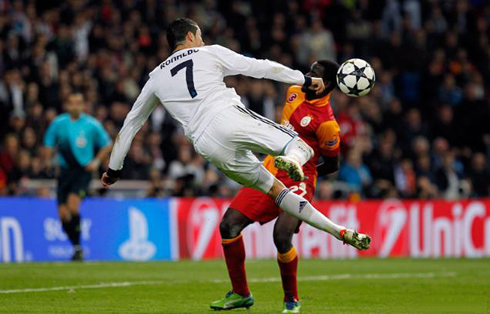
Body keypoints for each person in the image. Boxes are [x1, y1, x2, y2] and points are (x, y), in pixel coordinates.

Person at [101, 18, 369, 263]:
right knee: (300, 146)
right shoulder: (209, 52)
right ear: (192, 36)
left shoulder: (155, 78)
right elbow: (259, 68)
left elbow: (130, 125)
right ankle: (293, 159)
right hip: (227, 116)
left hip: (206, 143)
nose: (203, 40)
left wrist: (114, 170)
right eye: (201, 36)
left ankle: (339, 231)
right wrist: (304, 79)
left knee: (276, 190)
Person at [210, 60, 343, 313]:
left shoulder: (327, 124)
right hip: (270, 171)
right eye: (308, 70)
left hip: (300, 181)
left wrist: (305, 179)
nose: (307, 75)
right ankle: (240, 293)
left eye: (313, 74)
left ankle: (291, 300)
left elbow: (332, 164)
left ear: (325, 84)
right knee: (228, 225)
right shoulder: (294, 90)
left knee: (281, 236)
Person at [44, 92, 112, 261]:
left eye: (79, 103)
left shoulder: (91, 124)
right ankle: (76, 247)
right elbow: (49, 142)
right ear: (67, 105)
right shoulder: (58, 123)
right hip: (64, 172)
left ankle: (77, 247)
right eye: (72, 103)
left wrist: (96, 162)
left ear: (83, 105)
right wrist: (47, 161)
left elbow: (107, 144)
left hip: (83, 172)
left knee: (73, 207)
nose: (75, 106)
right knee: (63, 214)